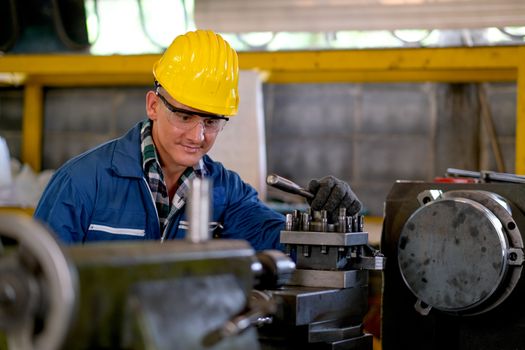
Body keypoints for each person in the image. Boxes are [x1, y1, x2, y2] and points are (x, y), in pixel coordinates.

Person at [34, 29, 361, 251]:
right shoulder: (81, 183)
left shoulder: (227, 193)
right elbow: (38, 280)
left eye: (211, 121)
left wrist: (329, 220)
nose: (198, 135)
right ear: (153, 105)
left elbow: (282, 242)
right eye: (184, 116)